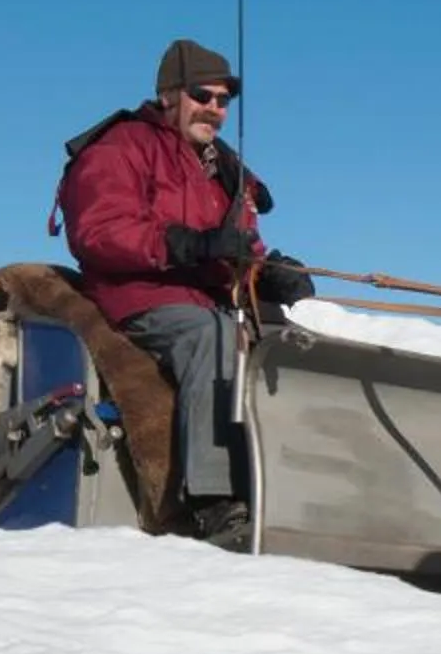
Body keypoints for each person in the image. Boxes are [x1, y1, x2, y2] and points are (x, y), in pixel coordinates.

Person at [54, 38, 315, 547]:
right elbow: (98, 231)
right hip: (141, 298)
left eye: (224, 100)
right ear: (170, 93)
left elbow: (242, 248)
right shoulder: (122, 147)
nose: (215, 110)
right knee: (212, 336)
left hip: (211, 299)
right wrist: (185, 244)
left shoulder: (224, 169)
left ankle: (299, 496)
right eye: (203, 95)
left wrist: (266, 272)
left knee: (294, 348)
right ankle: (215, 506)